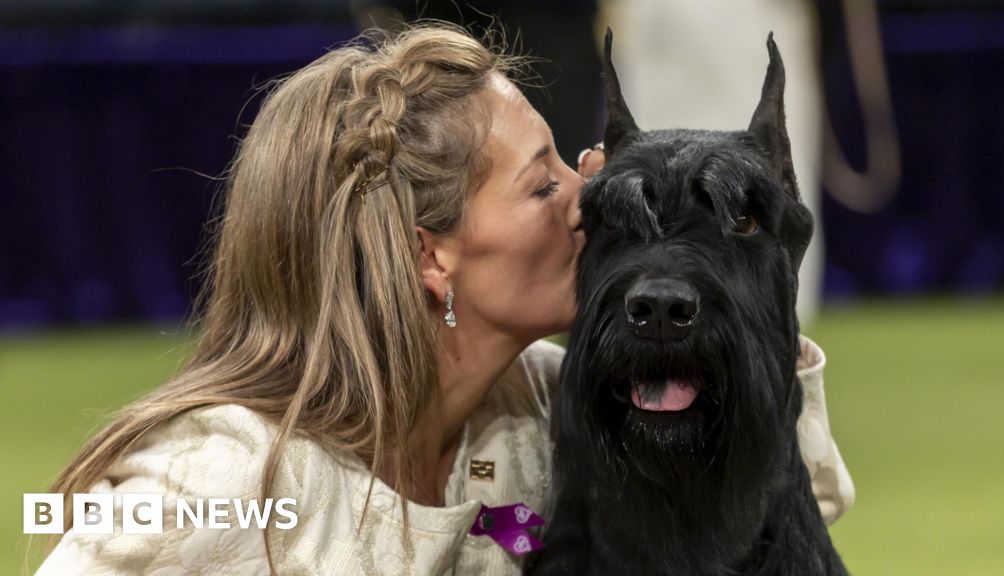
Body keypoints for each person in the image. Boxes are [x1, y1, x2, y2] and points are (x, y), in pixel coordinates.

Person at [32, 23, 852, 576]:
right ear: (431, 254)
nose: (587, 192)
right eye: (544, 183)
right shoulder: (216, 483)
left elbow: (779, 505)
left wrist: (754, 265)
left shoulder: (544, 405)